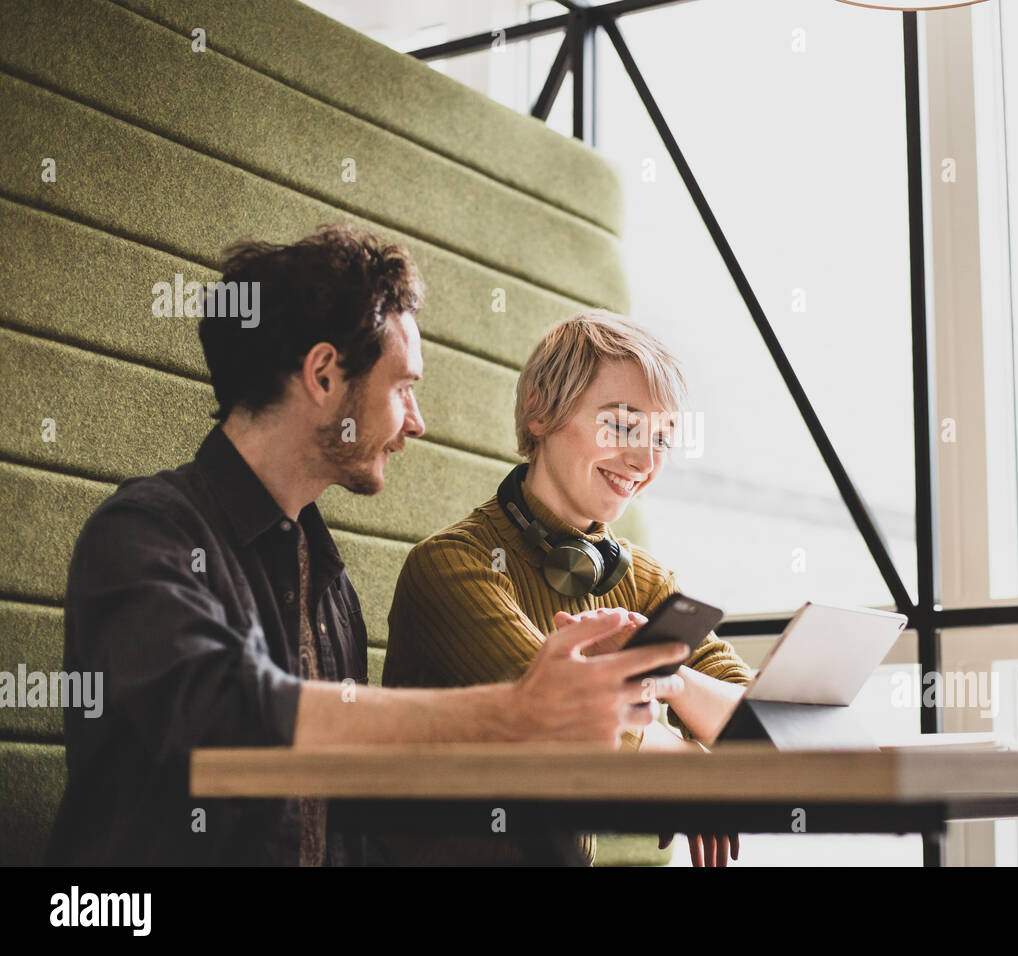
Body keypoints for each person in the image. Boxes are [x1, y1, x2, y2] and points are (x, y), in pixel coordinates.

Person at [45, 227, 687, 867]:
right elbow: (219, 713)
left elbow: (349, 821)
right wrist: (518, 711)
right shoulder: (142, 532)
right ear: (324, 375)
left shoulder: (327, 582)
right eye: (403, 387)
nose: (416, 421)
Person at [383, 310, 752, 867]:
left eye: (661, 440)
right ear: (540, 410)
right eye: (623, 427)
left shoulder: (643, 579)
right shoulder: (451, 566)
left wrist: (671, 682)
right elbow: (571, 720)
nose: (646, 463)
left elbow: (756, 727)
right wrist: (695, 769)